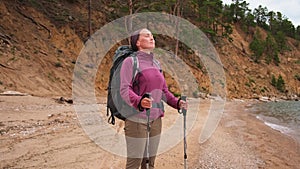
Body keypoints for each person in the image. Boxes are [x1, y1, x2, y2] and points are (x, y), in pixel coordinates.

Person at [120, 28, 187, 169]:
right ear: (137, 42)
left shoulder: (156, 64)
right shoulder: (130, 62)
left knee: (150, 163)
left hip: (156, 120)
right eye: (147, 35)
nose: (152, 38)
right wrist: (139, 101)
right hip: (136, 118)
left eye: (152, 35)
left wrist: (177, 103)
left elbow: (164, 91)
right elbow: (124, 90)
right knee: (134, 163)